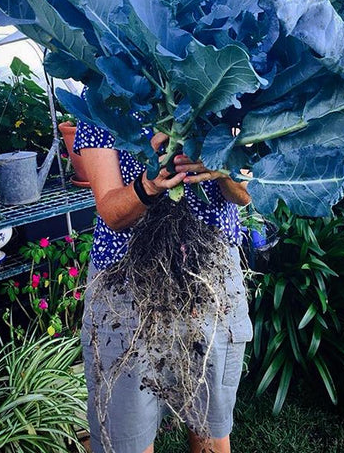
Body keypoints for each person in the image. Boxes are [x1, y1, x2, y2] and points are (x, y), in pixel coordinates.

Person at [74, 116, 253, 453]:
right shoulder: (103, 91)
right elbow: (112, 212)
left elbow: (244, 194)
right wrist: (150, 185)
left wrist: (222, 164)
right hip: (126, 282)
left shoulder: (231, 98)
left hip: (208, 277)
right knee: (126, 434)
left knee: (209, 425)